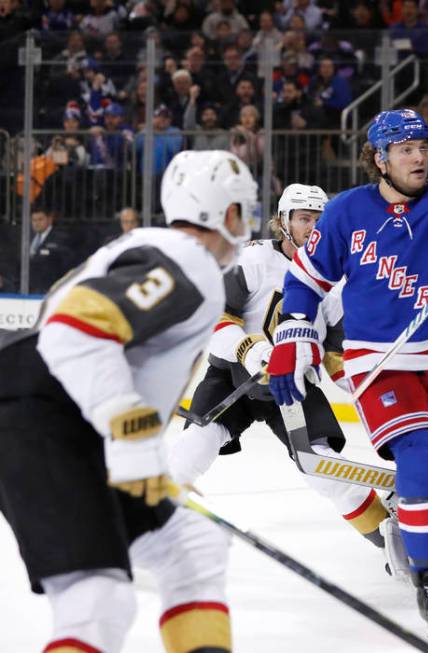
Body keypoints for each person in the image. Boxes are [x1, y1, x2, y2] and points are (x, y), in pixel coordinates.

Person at [265, 108, 428, 643]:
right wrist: (294, 335)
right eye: (405, 149)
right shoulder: (345, 212)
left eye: (422, 148)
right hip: (381, 362)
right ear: (379, 158)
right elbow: (305, 278)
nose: (417, 157)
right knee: (425, 458)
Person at [0, 150, 257, 653]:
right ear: (225, 214)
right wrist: (132, 440)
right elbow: (75, 328)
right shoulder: (190, 260)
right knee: (96, 598)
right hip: (43, 419)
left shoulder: (158, 249)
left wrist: (135, 446)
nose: (244, 224)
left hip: (60, 419)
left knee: (192, 548)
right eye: (242, 210)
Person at [167, 183, 393, 550]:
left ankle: (393, 542)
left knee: (326, 471)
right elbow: (217, 314)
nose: (313, 228)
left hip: (293, 389)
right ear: (283, 221)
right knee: (191, 450)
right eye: (304, 218)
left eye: (320, 220)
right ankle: (144, 532)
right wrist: (249, 349)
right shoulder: (252, 260)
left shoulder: (336, 283)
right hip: (233, 380)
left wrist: (366, 382)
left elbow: (336, 353)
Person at [28, 209, 75, 294]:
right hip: (31, 289)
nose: (36, 223)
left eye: (40, 219)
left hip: (52, 289)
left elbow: (66, 264)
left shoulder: (60, 238)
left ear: (49, 220)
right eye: (34, 220)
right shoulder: (28, 237)